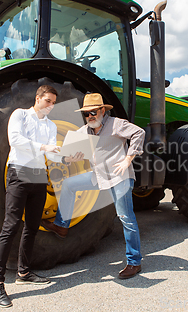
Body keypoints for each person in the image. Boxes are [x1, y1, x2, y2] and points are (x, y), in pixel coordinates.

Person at [0, 85, 80, 308]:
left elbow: (50, 154)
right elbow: (16, 141)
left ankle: (24, 272)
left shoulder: (50, 125)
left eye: (53, 102)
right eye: (47, 101)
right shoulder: (20, 114)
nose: (50, 106)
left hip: (39, 175)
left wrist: (66, 158)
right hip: (19, 172)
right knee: (10, 226)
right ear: (37, 98)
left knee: (32, 226)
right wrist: (45, 147)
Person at [42, 93, 145, 279]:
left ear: (102, 111)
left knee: (126, 219)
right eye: (87, 113)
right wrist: (68, 157)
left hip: (119, 177)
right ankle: (62, 225)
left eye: (93, 112)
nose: (90, 116)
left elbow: (139, 132)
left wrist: (128, 159)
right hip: (99, 176)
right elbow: (67, 153)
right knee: (69, 184)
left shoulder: (116, 124)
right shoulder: (84, 131)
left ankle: (134, 262)